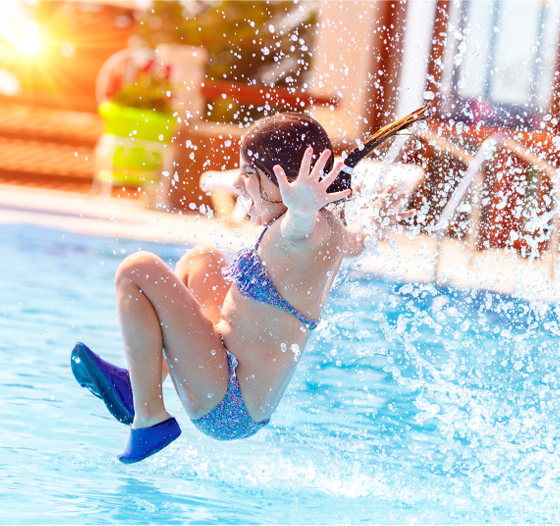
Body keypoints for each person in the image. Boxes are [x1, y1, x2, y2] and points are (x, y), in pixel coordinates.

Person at [71, 108, 426, 463]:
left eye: (247, 174)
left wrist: (301, 209)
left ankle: (149, 418)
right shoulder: (330, 232)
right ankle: (142, 384)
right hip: (231, 381)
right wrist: (375, 222)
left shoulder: (304, 232)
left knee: (137, 270)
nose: (238, 184)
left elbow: (298, 228)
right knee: (202, 260)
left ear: (285, 183)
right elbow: (354, 243)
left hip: (228, 403)